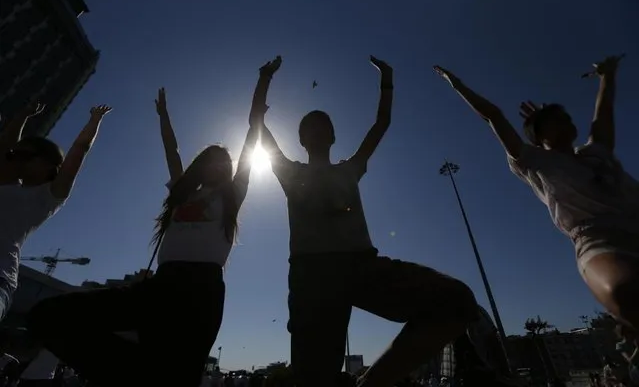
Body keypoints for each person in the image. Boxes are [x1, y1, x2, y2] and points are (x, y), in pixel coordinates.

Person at [25, 56, 281, 387]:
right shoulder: (181, 191)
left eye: (225, 162)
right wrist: (163, 115)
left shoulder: (233, 195)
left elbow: (253, 132)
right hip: (162, 284)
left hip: (202, 290)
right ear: (200, 167)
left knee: (179, 375)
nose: (219, 166)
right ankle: (131, 373)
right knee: (46, 316)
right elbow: (171, 149)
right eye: (212, 161)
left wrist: (263, 81)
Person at [258, 55, 478, 387]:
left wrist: (386, 79)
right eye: (309, 129)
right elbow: (257, 127)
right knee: (313, 377)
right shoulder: (290, 173)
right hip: (311, 276)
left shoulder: (350, 168)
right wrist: (264, 80)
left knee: (456, 299)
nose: (317, 132)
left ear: (333, 137)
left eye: (324, 128)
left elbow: (381, 123)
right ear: (301, 140)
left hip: (360, 265)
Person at [433, 55, 639, 332]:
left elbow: (602, 112)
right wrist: (456, 83)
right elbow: (492, 115)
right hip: (598, 238)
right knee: (626, 292)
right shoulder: (532, 160)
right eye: (556, 120)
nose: (567, 121)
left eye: (566, 117)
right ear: (539, 135)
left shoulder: (595, 151)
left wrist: (607, 76)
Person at [0, 103, 111, 321]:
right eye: (16, 155)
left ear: (49, 165)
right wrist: (22, 115)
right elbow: (6, 146)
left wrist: (95, 119)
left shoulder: (48, 196)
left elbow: (80, 149)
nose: (17, 160)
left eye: (26, 156)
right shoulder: (5, 183)